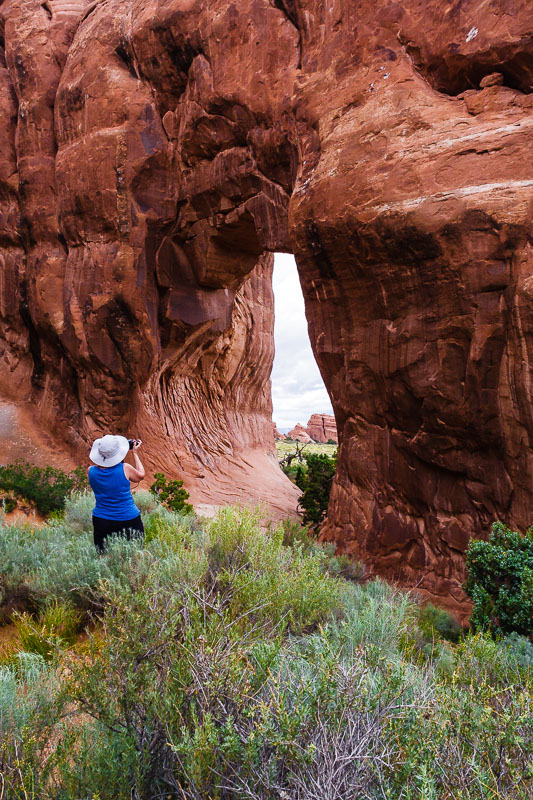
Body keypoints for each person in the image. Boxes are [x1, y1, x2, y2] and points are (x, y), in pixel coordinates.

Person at [88, 434, 145, 552]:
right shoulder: (125, 468)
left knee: (103, 556)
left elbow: (104, 471)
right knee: (136, 553)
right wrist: (135, 453)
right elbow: (141, 475)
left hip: (101, 519)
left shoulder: (91, 471)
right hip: (128, 518)